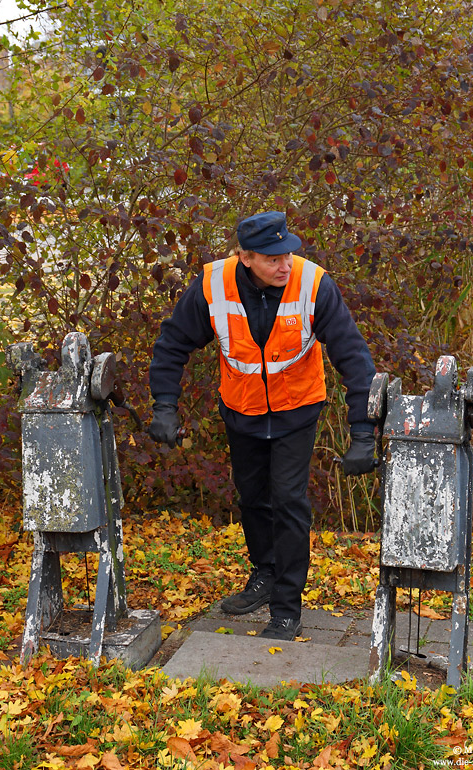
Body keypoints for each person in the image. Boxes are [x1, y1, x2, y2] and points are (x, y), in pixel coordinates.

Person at [148, 211, 377, 641]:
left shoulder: (313, 284)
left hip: (297, 410)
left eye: (287, 254)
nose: (285, 265)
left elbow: (353, 356)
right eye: (273, 258)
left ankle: (287, 608)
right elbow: (173, 342)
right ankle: (265, 574)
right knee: (253, 498)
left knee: (289, 501)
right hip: (243, 410)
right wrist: (165, 406)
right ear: (246, 257)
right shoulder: (212, 285)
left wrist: (362, 431)